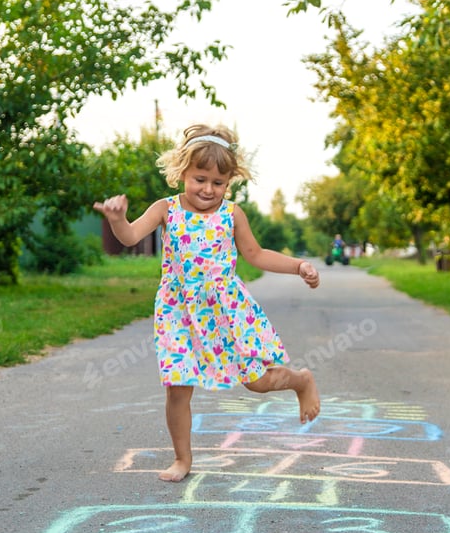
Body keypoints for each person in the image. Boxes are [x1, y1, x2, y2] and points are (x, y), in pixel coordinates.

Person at [93, 124, 321, 483]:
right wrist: (118, 219)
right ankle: (182, 459)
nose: (208, 189)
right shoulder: (166, 209)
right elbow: (130, 235)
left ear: (230, 182)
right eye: (200, 179)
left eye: (219, 183)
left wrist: (298, 266)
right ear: (183, 171)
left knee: (257, 381)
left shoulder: (232, 215)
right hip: (177, 311)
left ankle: (300, 380)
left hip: (226, 312)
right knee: (177, 385)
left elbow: (256, 254)